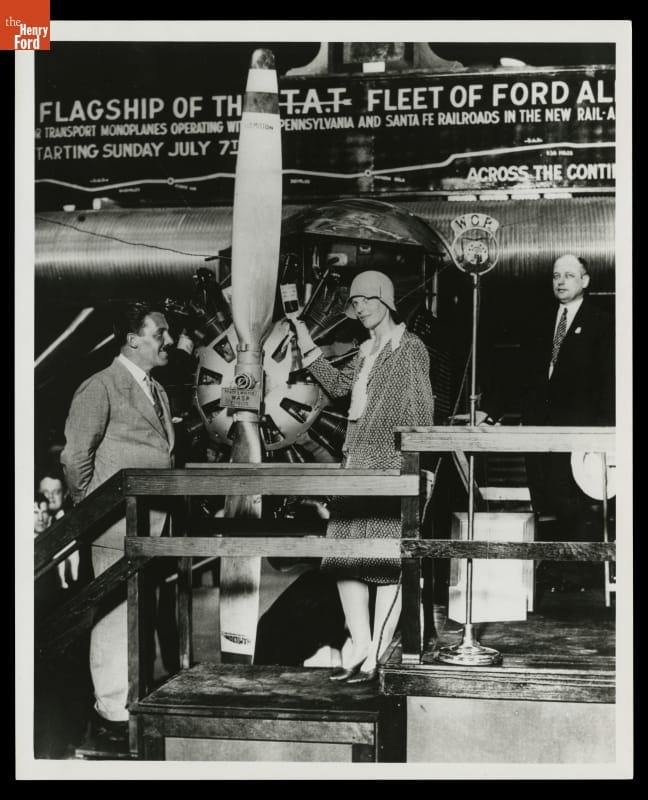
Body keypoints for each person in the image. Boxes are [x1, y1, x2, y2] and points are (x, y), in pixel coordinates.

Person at [293, 271, 435, 683]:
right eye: (354, 302)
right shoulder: (365, 350)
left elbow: (422, 414)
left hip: (391, 464)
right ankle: (360, 647)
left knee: (387, 562)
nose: (360, 308)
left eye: (367, 300)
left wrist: (415, 469)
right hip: (354, 463)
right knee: (345, 559)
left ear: (387, 300)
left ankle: (373, 655)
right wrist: (304, 336)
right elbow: (338, 388)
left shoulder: (410, 348)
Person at [61, 301, 175, 747]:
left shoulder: (157, 390)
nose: (168, 341)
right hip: (115, 523)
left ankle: (136, 700)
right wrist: (90, 507)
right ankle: (111, 714)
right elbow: (74, 457)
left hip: (152, 521)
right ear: (133, 339)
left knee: (140, 611)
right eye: (160, 333)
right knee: (112, 619)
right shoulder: (101, 386)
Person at [481, 254, 614, 589]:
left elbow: (609, 381)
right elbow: (519, 375)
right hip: (538, 429)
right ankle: (553, 568)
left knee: (577, 502)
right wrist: (491, 411)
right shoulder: (540, 320)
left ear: (585, 281)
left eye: (569, 275)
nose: (560, 281)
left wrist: (606, 432)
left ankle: (580, 573)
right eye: (556, 275)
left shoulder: (603, 322)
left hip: (581, 433)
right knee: (545, 499)